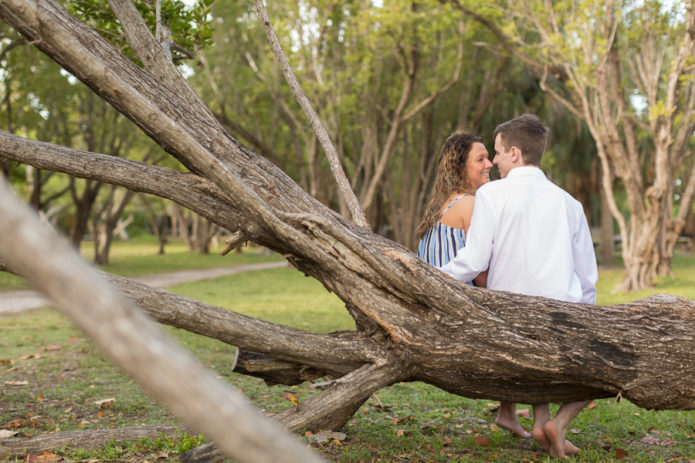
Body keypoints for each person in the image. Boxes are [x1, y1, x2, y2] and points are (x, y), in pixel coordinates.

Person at [439, 114, 598, 458]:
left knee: (530, 346)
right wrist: (587, 323)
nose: (493, 161)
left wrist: (429, 275)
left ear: (514, 153)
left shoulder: (491, 196)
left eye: (495, 152)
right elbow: (588, 278)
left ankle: (545, 422)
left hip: (510, 325)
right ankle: (557, 421)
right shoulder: (569, 203)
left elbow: (473, 260)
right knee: (604, 363)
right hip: (560, 320)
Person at [416, 132, 492, 284]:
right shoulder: (469, 204)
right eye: (480, 159)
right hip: (459, 303)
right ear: (461, 168)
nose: (489, 164)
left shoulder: (440, 205)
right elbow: (480, 270)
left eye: (487, 158)